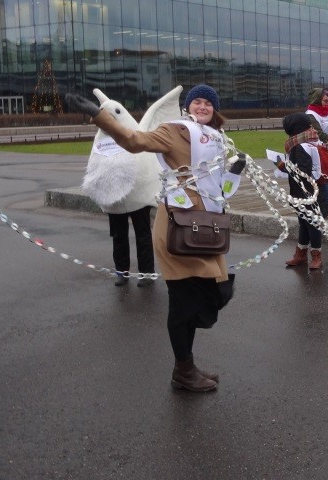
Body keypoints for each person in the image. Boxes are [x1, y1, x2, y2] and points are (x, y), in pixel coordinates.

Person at [67, 85, 246, 393]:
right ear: (188, 107)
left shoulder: (216, 139)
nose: (202, 106)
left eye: (208, 103)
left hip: (208, 228)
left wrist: (234, 172)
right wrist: (99, 116)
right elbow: (134, 141)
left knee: (214, 292)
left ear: (215, 110)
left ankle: (186, 364)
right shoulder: (174, 131)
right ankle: (183, 370)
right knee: (182, 302)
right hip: (180, 226)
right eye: (197, 101)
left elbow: (221, 190)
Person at [275, 113, 325, 270]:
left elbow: (303, 172)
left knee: (312, 223)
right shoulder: (305, 141)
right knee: (303, 222)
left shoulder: (301, 146)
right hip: (304, 191)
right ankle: (301, 254)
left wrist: (283, 166)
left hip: (307, 193)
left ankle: (316, 255)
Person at [305, 87, 328, 219]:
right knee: (322, 178)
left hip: (327, 149)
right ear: (317, 99)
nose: (327, 103)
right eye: (325, 100)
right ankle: (327, 206)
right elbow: (320, 134)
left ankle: (324, 206)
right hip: (316, 149)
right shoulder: (311, 114)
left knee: (325, 177)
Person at [107, 206, 155, 288]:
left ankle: (147, 273)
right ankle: (121, 272)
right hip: (115, 199)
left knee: (143, 235)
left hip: (138, 198)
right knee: (118, 235)